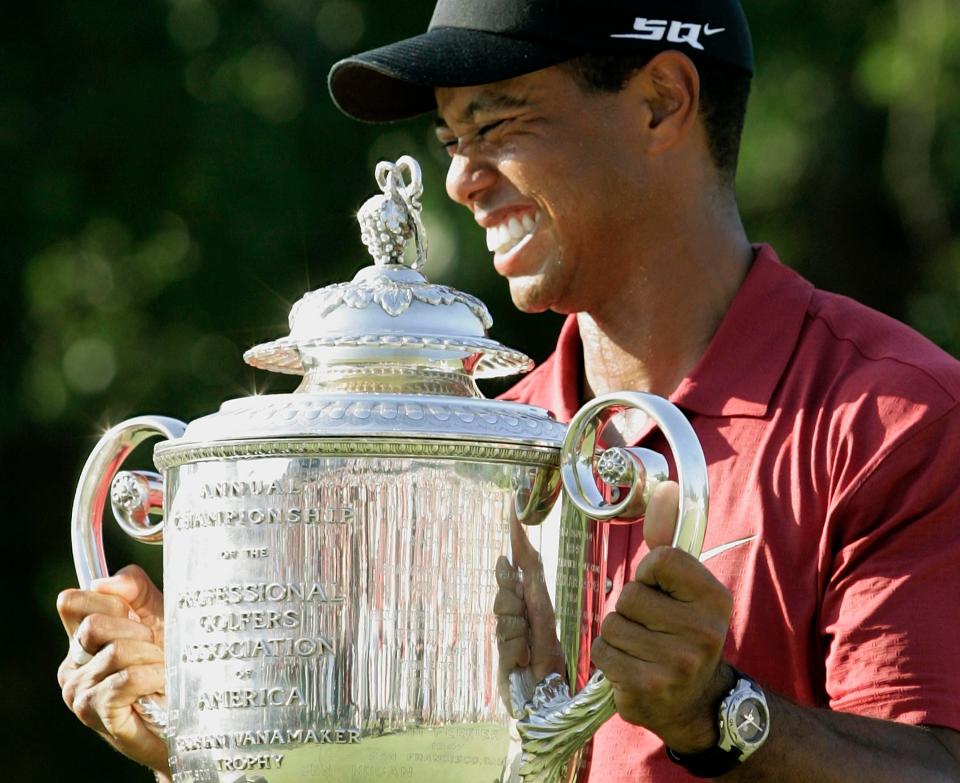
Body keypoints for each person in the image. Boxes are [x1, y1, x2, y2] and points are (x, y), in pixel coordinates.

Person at [58, 0, 960, 780]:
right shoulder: (464, 451)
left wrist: (716, 714)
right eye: (452, 140)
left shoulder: (893, 421)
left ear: (661, 103)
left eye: (497, 125)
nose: (459, 178)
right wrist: (211, 741)